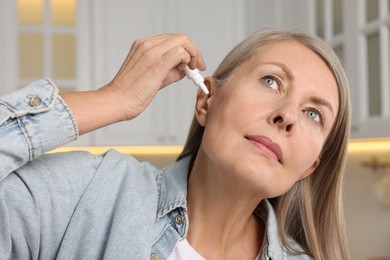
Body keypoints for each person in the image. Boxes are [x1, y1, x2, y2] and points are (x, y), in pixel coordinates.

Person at [0, 29, 351, 260]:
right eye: (271, 81)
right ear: (205, 102)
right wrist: (113, 98)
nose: (287, 114)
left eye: (314, 114)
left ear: (309, 166)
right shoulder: (91, 194)